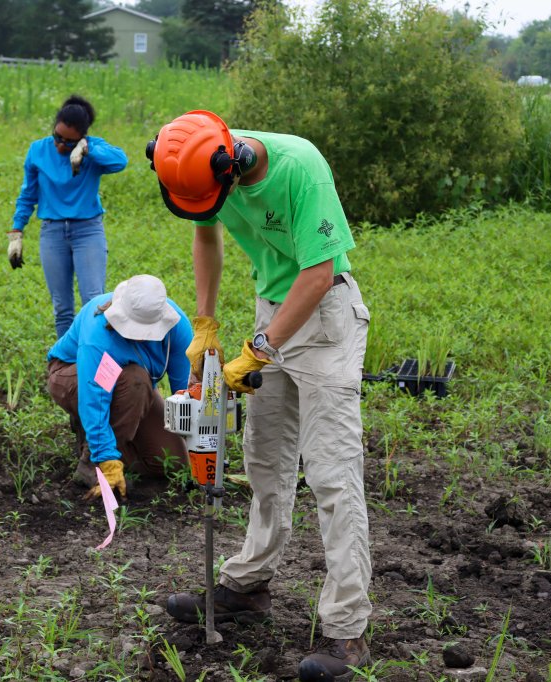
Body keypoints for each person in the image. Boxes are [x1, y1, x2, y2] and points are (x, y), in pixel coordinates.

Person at [148, 111, 373, 680]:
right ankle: (248, 585)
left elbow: (319, 274)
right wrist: (204, 320)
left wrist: (261, 350)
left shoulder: (300, 167)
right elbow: (206, 232)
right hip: (270, 313)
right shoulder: (204, 166)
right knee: (265, 459)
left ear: (233, 164)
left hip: (322, 318)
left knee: (330, 471)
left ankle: (347, 629)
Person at [46, 275, 193, 497]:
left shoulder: (177, 326)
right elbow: (93, 397)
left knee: (172, 464)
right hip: (73, 375)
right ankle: (91, 462)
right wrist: (105, 458)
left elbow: (185, 392)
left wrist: (201, 447)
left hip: (134, 389)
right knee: (135, 379)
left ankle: (112, 442)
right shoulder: (98, 331)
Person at [8, 95, 128, 339]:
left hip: (88, 231)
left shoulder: (91, 151)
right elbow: (28, 194)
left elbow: (120, 161)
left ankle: (93, 354)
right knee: (62, 307)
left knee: (93, 300)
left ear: (81, 137)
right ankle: (66, 364)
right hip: (52, 233)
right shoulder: (38, 150)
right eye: (57, 137)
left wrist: (87, 148)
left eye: (69, 141)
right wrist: (16, 232)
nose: (61, 145)